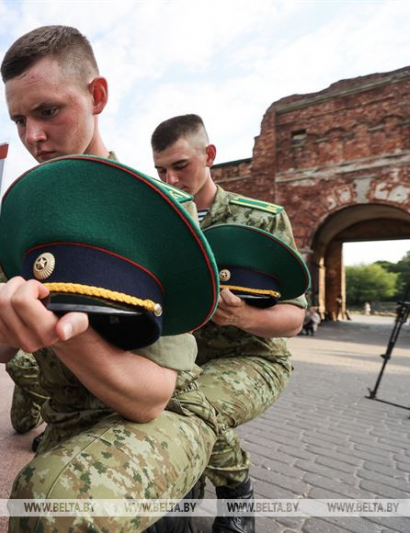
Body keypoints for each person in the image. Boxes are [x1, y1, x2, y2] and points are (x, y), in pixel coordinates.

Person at [0, 26, 218, 531]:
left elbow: (152, 395)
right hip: (67, 415)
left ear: (97, 96)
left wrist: (60, 335)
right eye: (19, 120)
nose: (32, 137)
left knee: (49, 503)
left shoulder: (161, 210)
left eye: (48, 112)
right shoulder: (21, 215)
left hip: (159, 416)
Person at [152, 114, 306, 533]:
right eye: (161, 170)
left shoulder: (260, 218)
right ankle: (183, 493)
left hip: (253, 358)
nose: (171, 178)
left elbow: (295, 317)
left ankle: (237, 487)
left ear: (210, 157)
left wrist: (246, 316)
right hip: (184, 361)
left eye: (180, 165)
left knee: (185, 406)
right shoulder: (162, 225)